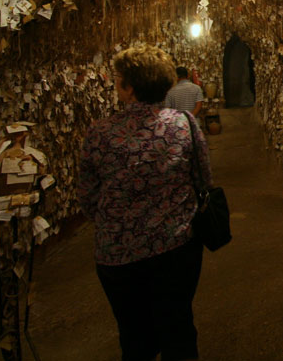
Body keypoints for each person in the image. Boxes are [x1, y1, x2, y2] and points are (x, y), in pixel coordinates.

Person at [78, 45, 212, 361]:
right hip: (176, 248)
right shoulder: (185, 125)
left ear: (128, 88)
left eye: (118, 80)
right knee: (178, 328)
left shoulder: (99, 133)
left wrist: (120, 222)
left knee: (134, 335)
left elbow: (87, 196)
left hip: (118, 255)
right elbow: (204, 180)